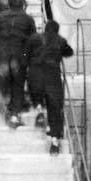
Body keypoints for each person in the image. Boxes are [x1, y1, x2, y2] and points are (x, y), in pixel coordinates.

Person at [0, 0, 37, 127]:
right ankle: (14, 115)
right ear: (23, 5)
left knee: (1, 84)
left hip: (1, 56)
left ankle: (0, 111)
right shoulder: (28, 20)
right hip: (18, 57)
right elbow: (33, 42)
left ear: (9, 4)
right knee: (17, 85)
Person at [25, 19, 73, 154]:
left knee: (35, 93)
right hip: (53, 75)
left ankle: (39, 110)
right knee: (55, 108)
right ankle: (55, 142)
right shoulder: (60, 40)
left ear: (45, 28)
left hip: (35, 73)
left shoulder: (33, 38)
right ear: (57, 30)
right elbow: (69, 52)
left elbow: (24, 54)